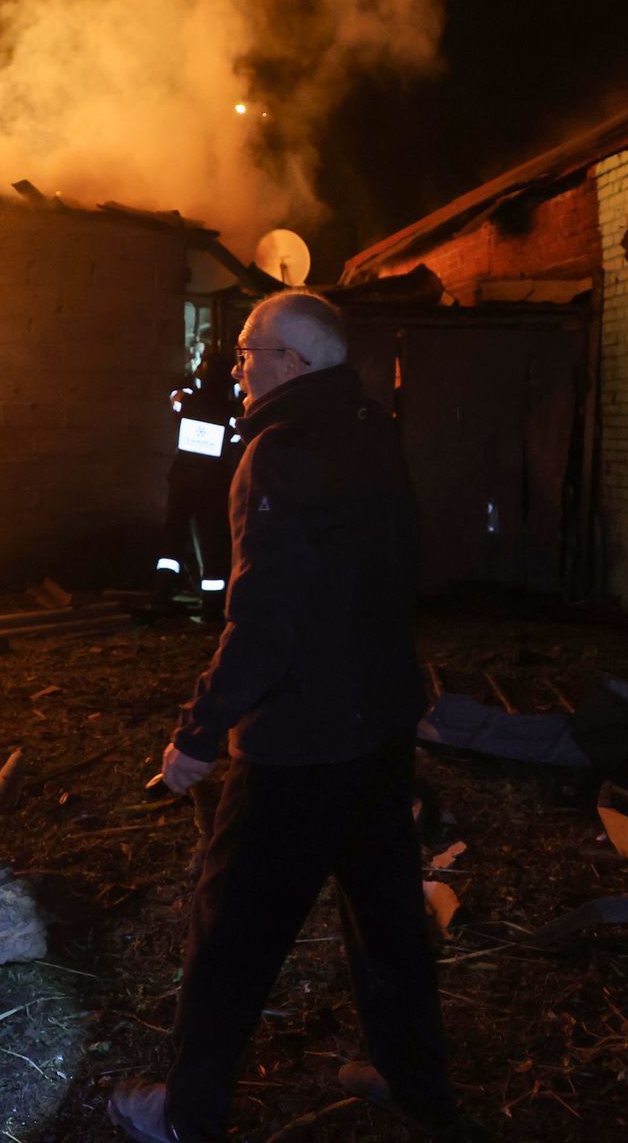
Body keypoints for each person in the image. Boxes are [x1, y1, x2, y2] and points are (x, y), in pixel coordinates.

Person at [109, 291, 464, 1143]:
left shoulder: (274, 456)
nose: (237, 368)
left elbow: (263, 623)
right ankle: (419, 1090)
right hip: (378, 732)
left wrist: (197, 735)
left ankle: (187, 1115)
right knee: (388, 928)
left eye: (247, 352)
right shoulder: (375, 431)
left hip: (298, 748)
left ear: (293, 364)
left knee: (230, 938)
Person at [153, 348, 243, 614]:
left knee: (173, 536)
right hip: (213, 487)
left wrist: (185, 375)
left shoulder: (187, 401)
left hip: (182, 483)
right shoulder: (231, 412)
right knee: (213, 540)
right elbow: (237, 442)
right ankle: (213, 604)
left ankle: (161, 592)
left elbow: (174, 396)